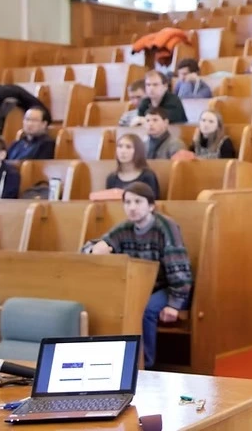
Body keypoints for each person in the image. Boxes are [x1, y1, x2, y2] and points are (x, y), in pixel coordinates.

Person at [81, 182, 192, 369]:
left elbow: (178, 267)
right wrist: (94, 249)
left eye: (138, 202)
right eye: (128, 202)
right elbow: (95, 245)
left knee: (144, 309)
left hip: (167, 288)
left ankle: (144, 364)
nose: (132, 207)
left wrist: (175, 304)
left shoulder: (166, 227)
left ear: (151, 206)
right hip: (138, 288)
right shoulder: (125, 228)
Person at [106, 133, 161, 199]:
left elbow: (153, 202)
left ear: (138, 151)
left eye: (128, 147)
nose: (123, 151)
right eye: (120, 146)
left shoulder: (148, 176)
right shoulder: (112, 178)